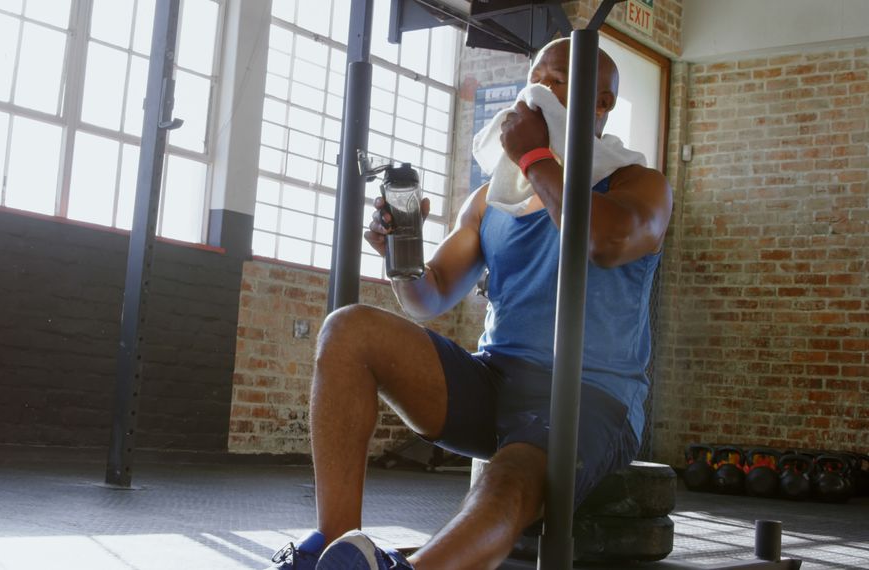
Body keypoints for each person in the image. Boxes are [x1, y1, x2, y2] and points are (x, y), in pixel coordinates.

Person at [266, 37, 673, 570]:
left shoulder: (639, 185)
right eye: (536, 80)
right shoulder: (491, 199)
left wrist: (535, 157)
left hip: (591, 398)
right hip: (496, 380)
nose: (538, 93)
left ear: (602, 105)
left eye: (557, 83)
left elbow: (601, 241)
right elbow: (428, 295)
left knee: (505, 480)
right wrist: (400, 255)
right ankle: (341, 549)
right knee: (348, 330)